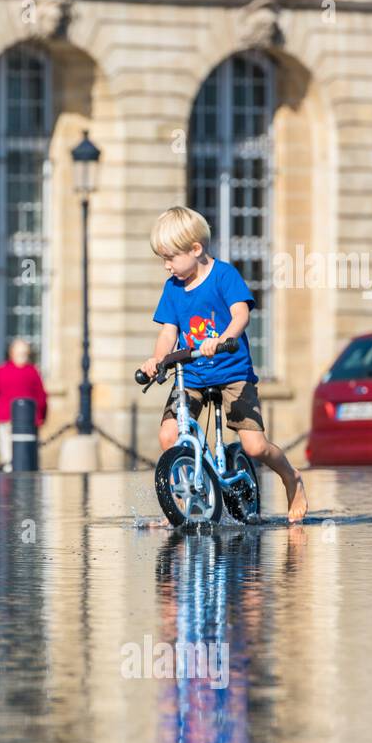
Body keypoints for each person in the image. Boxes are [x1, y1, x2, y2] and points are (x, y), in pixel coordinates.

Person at [139, 206, 308, 523]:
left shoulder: (224, 275)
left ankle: (291, 476)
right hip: (190, 374)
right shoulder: (173, 288)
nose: (166, 266)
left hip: (232, 373)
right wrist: (157, 359)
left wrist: (223, 338)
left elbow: (241, 313)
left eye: (171, 258)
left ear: (195, 249)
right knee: (168, 435)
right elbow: (168, 331)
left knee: (255, 447)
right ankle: (179, 502)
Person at [0, 338, 47, 471]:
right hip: (26, 419)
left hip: (6, 417)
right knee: (25, 454)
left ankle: (9, 479)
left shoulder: (2, 370)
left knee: (7, 455)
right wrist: (41, 416)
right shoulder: (32, 372)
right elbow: (42, 398)